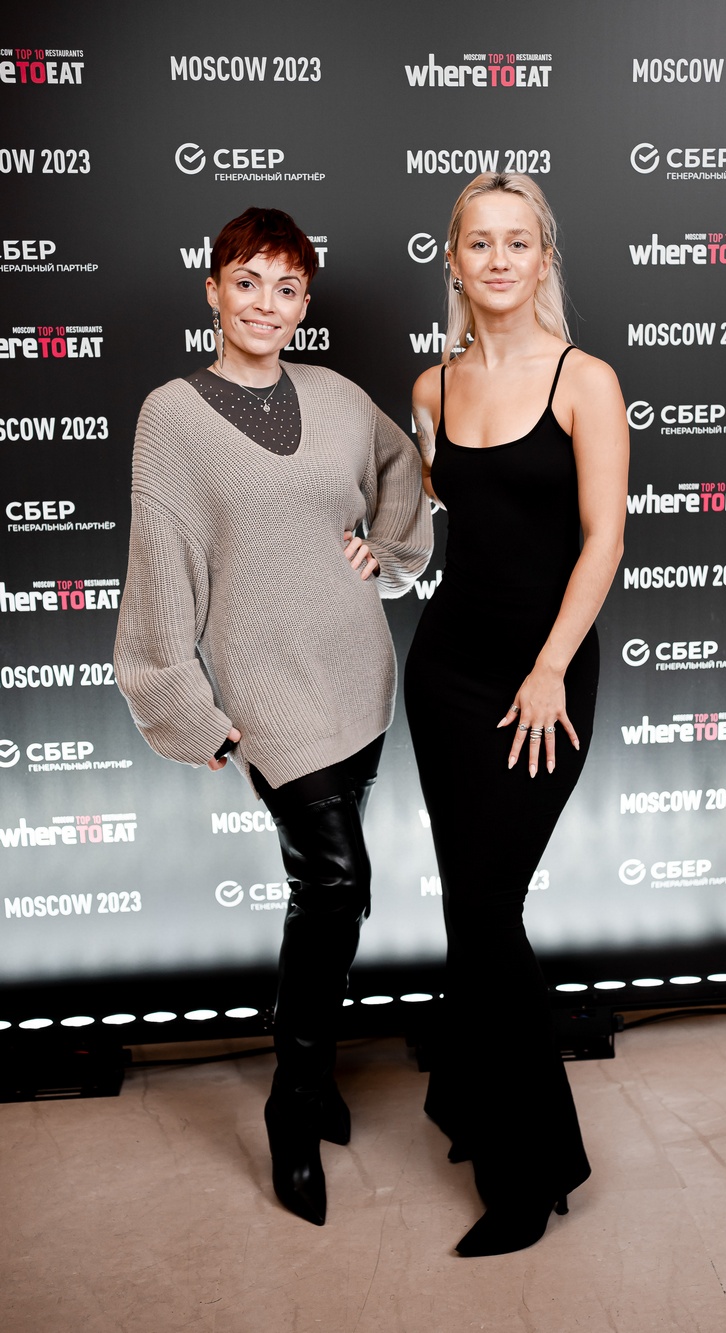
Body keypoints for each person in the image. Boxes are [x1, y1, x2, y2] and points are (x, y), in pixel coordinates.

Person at [114, 207, 432, 1228]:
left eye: (287, 287)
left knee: (331, 893)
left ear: (304, 303)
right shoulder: (171, 416)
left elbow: (403, 469)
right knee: (337, 883)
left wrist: (388, 549)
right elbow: (160, 564)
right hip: (267, 686)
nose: (266, 304)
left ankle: (317, 1077)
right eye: (247, 281)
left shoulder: (336, 396)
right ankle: (294, 1106)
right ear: (212, 289)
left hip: (357, 671)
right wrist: (182, 700)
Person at [404, 173, 629, 1257]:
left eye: (518, 242)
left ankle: (532, 1170)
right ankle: (467, 1096)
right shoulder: (432, 387)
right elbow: (424, 523)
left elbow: (604, 539)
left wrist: (548, 667)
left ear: (544, 259)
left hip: (544, 678)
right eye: (480, 242)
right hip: (446, 672)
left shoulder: (587, 380)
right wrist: (371, 544)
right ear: (453, 259)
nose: (499, 260)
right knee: (468, 904)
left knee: (490, 908)